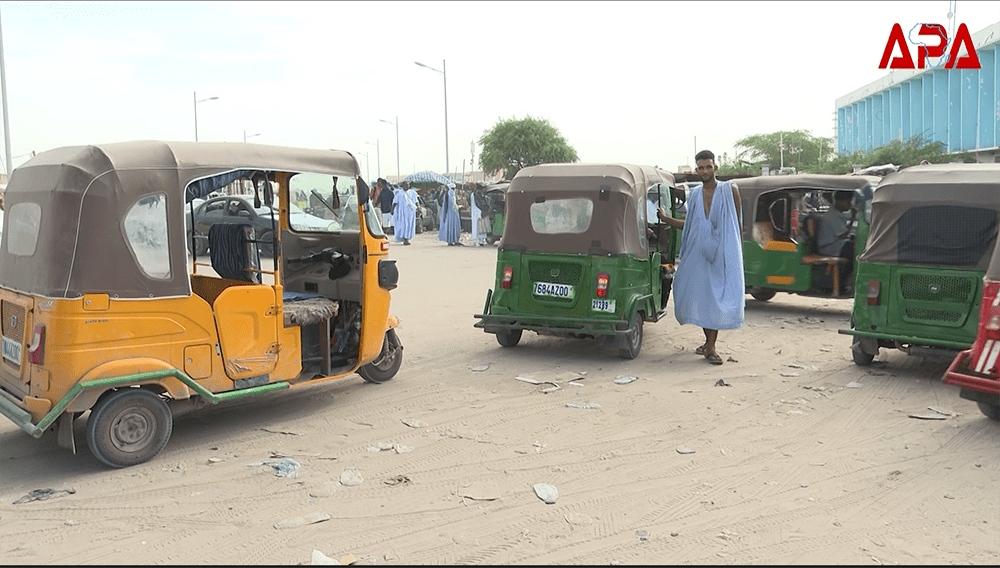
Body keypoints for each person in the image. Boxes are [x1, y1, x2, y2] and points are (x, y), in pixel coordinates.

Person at [657, 149, 744, 365]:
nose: (705, 171)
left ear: (715, 167)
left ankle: (711, 346)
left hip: (722, 254)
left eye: (708, 166)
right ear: (696, 170)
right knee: (703, 298)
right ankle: (709, 344)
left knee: (718, 299)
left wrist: (736, 254)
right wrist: (666, 219)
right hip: (699, 255)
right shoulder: (695, 194)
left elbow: (736, 225)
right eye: (701, 167)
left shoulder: (730, 189)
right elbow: (690, 225)